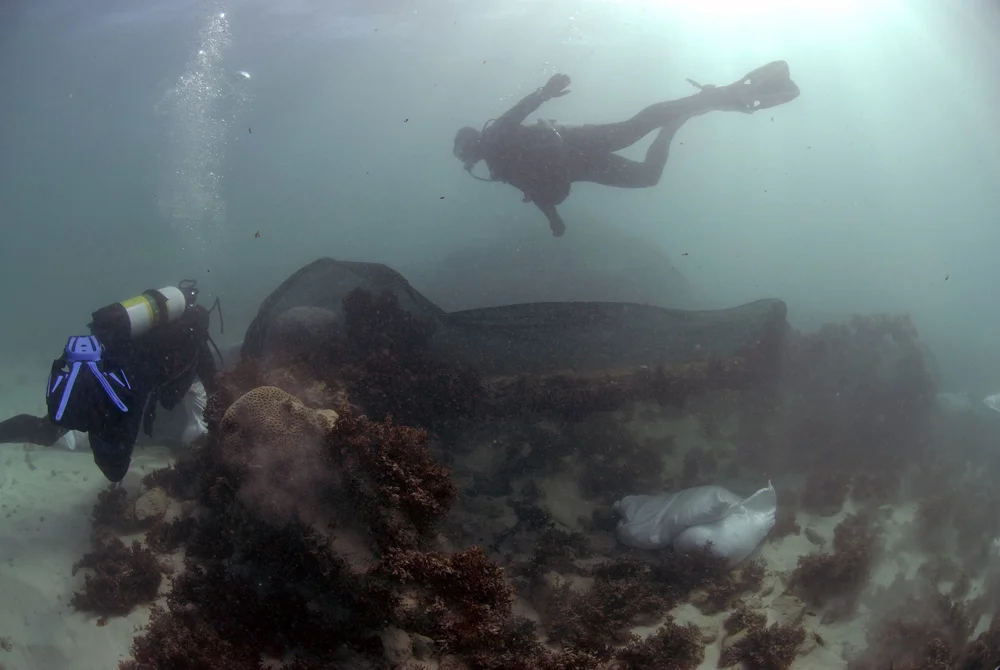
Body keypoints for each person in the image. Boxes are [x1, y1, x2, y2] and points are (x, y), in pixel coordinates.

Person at [452, 60, 801, 237]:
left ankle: (708, 98)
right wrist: (554, 219)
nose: (466, 162)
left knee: (638, 127)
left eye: (463, 154)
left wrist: (546, 91)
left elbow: (520, 111)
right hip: (580, 166)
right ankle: (689, 114)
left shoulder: (497, 138)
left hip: (578, 145)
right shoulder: (499, 168)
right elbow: (537, 192)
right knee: (647, 171)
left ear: (471, 145)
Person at [0, 280, 220, 483]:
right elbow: (192, 393)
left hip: (95, 366)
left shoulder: (151, 326)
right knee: (115, 470)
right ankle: (95, 422)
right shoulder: (195, 344)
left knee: (46, 431)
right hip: (124, 389)